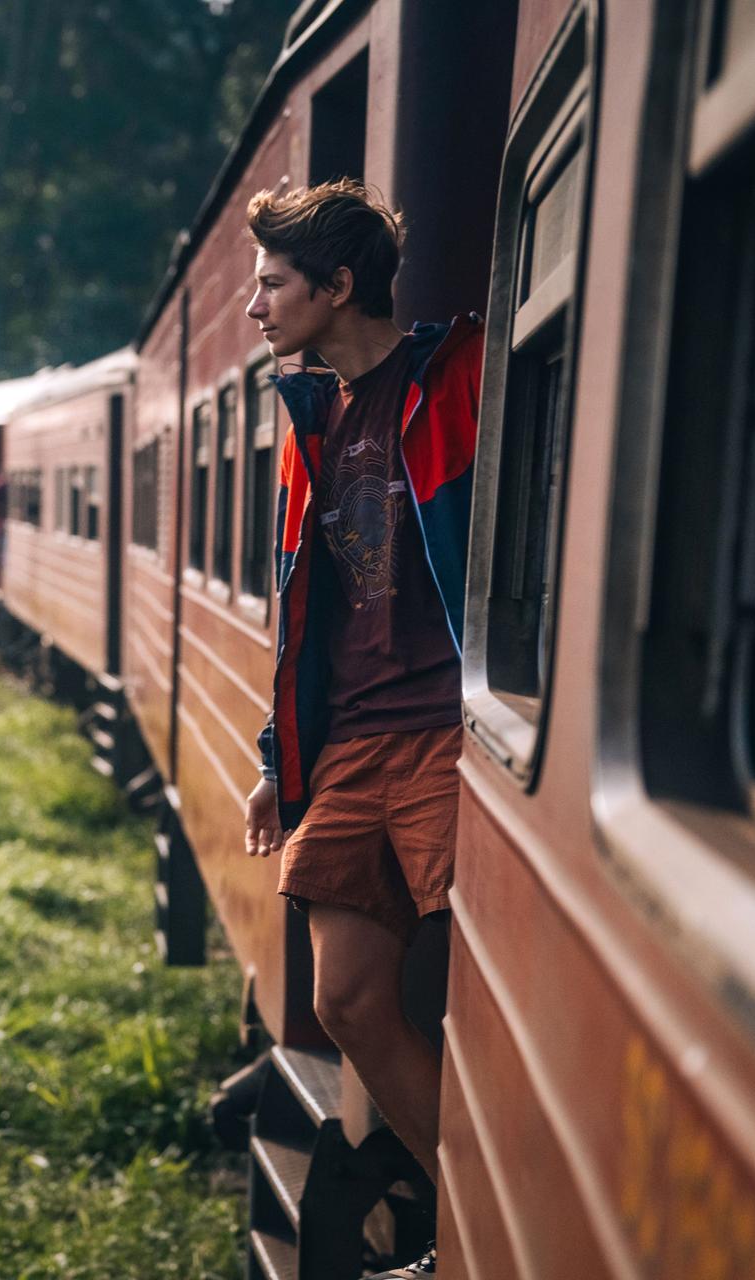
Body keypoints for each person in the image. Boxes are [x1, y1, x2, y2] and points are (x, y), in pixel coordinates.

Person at [240, 179, 483, 1280]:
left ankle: (480, 1235)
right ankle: (466, 1216)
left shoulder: (455, 381)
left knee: (491, 980)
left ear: (338, 287)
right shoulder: (310, 420)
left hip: (445, 731)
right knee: (343, 998)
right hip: (353, 743)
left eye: (274, 284)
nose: (257, 308)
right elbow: (306, 612)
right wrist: (274, 760)